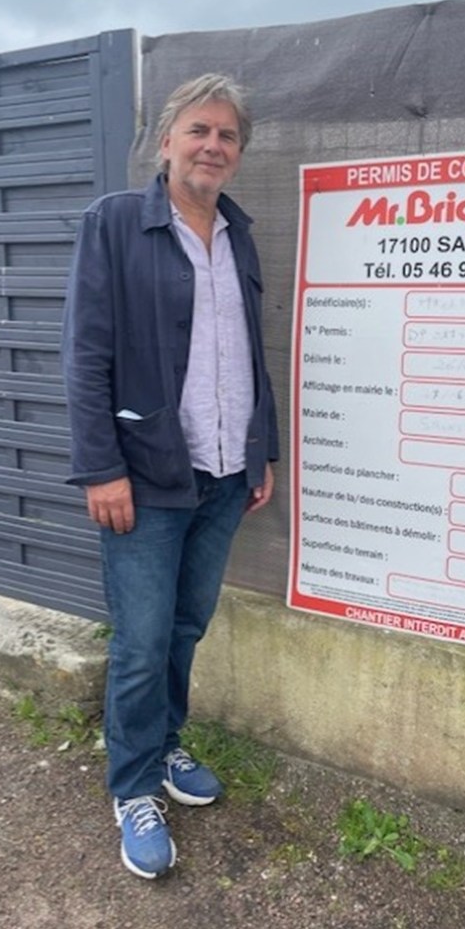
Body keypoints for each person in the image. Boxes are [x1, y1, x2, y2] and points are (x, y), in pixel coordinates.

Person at [61, 74, 278, 879]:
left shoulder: (238, 234)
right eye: (199, 130)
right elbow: (85, 353)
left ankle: (164, 743)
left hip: (225, 473)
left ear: (237, 152)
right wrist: (100, 468)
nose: (213, 145)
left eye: (227, 135)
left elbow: (248, 353)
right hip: (147, 476)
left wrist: (261, 450)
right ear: (167, 141)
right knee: (143, 640)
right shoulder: (116, 223)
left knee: (186, 627)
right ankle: (133, 785)